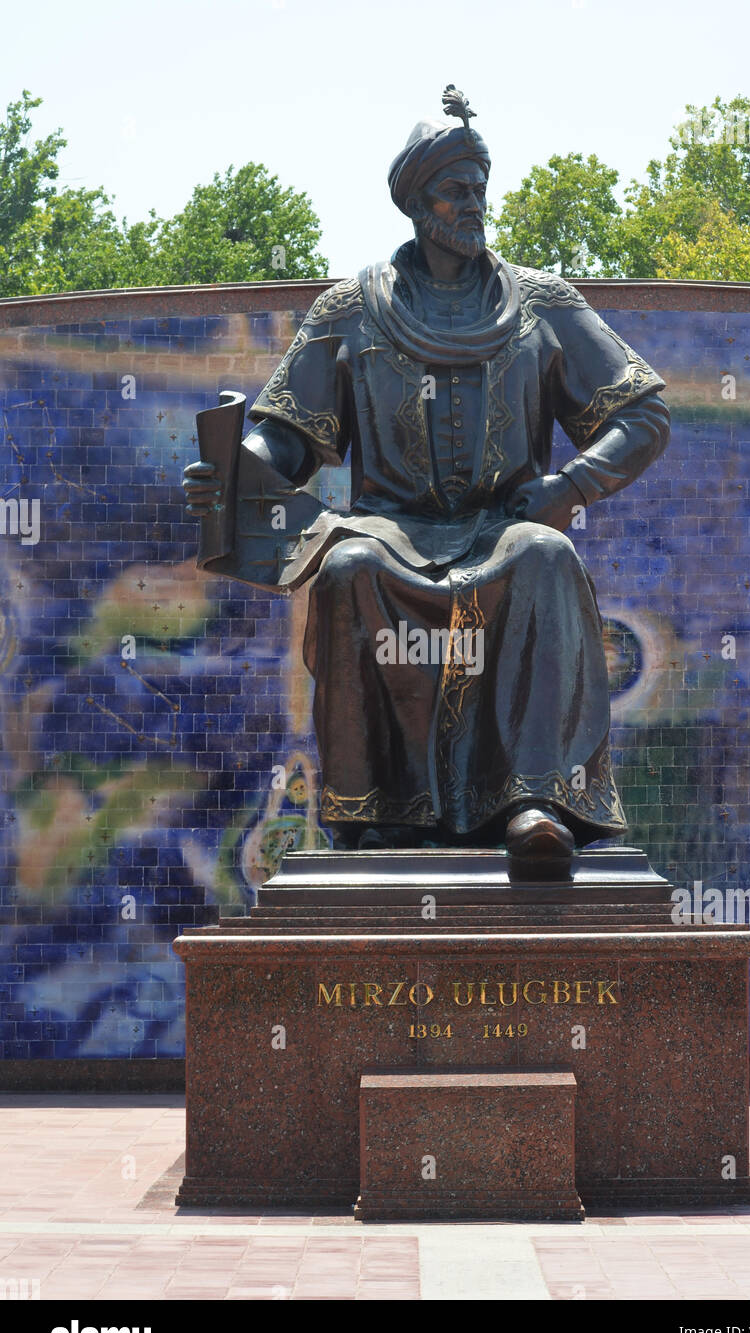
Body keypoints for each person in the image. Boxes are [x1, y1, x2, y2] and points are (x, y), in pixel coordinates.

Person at [183, 87, 670, 872]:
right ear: (417, 202)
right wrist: (236, 476)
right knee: (348, 567)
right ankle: (376, 816)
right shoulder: (351, 309)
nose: (473, 203)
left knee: (544, 559)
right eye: (455, 189)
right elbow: (287, 439)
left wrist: (570, 486)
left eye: (480, 187)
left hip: (503, 523)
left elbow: (643, 414)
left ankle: (536, 805)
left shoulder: (542, 303)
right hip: (390, 530)